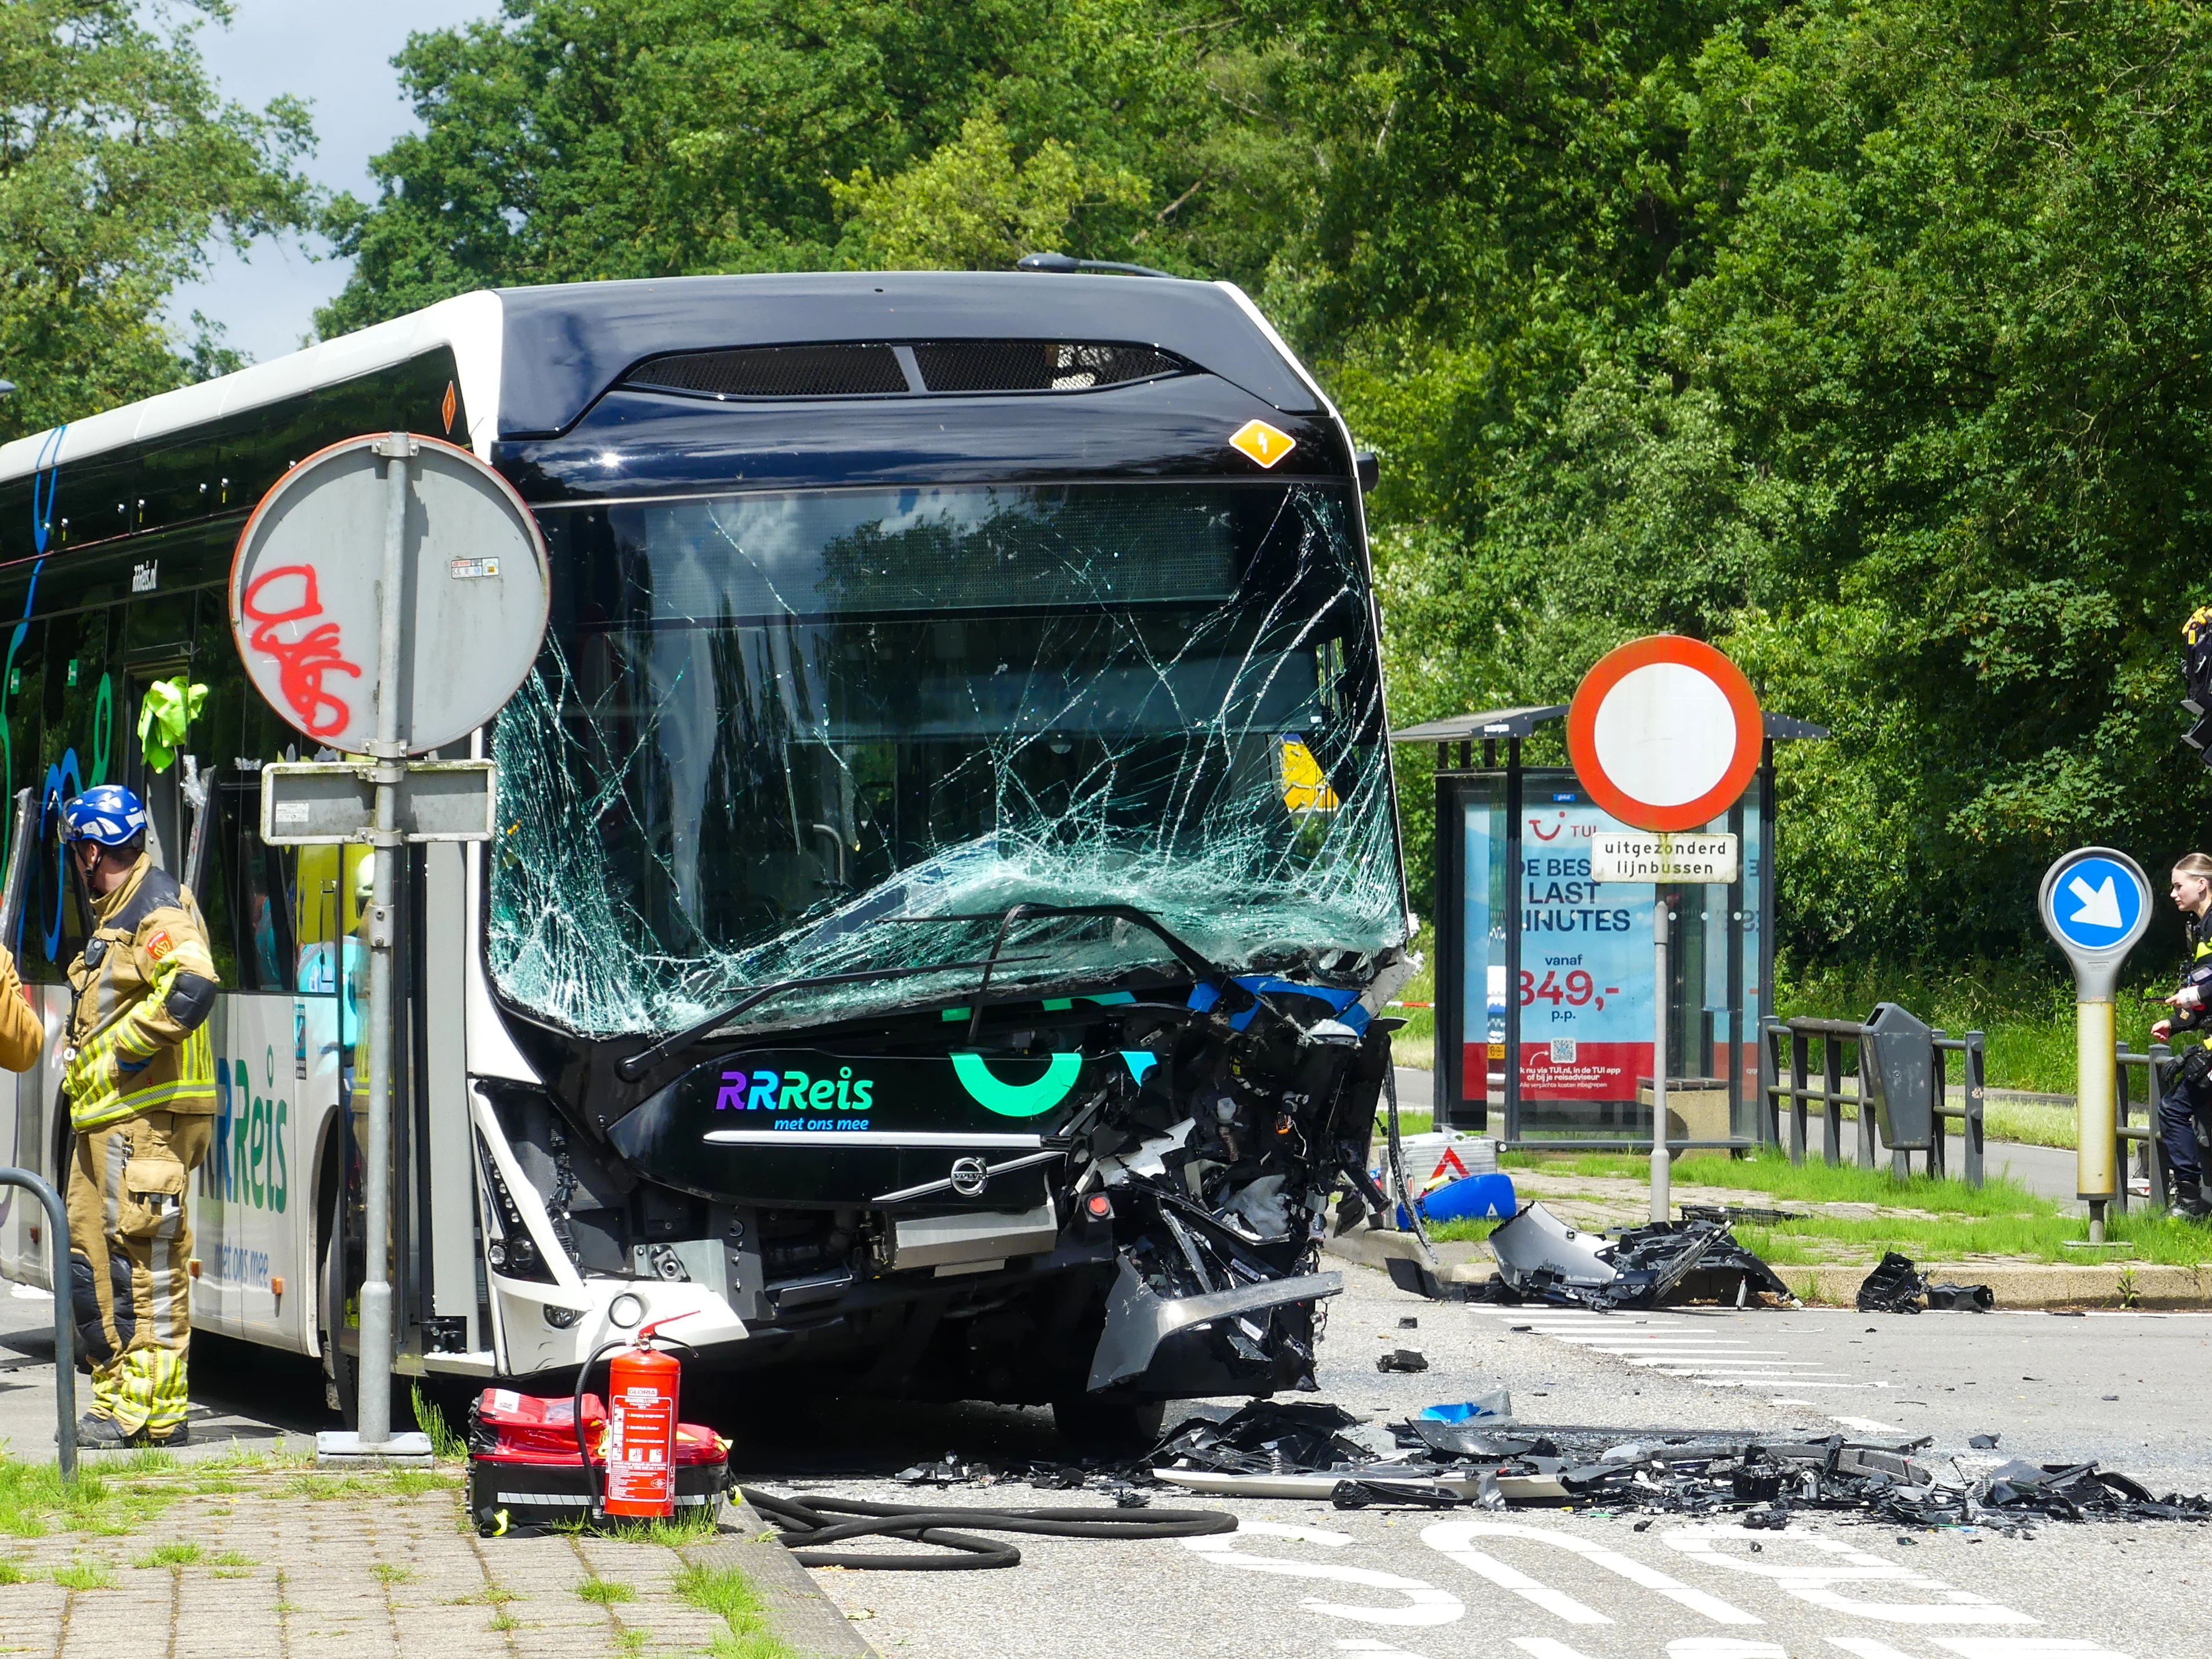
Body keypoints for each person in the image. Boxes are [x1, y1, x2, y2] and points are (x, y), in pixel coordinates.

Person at [57, 785, 219, 1447]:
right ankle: (119, 1396)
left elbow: (193, 983)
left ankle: (147, 1414)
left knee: (143, 1268)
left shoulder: (155, 907)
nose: (76, 863)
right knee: (91, 1261)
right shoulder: (120, 908)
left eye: (78, 850)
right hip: (110, 1118)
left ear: (94, 851)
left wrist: (122, 1054)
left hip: (145, 1123)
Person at [2151, 852, 2212, 1219]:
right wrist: (2175, 1024)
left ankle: (2190, 1202)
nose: (2173, 893)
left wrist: (2191, 996)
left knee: (2174, 1109)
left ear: (2201, 884)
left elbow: (2204, 991)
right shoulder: (2201, 927)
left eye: (2178, 886)